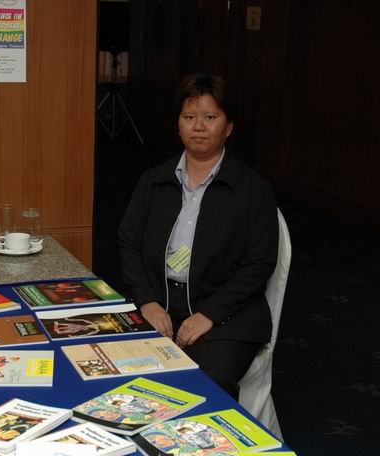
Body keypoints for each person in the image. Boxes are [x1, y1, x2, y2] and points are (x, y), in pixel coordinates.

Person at [117, 72, 279, 399]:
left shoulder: (252, 189)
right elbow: (128, 242)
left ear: (228, 127)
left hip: (226, 312)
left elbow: (259, 264)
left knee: (206, 384)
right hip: (159, 301)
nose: (198, 127)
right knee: (110, 365)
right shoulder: (154, 180)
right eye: (189, 117)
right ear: (178, 125)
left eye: (210, 117)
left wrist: (209, 315)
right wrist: (147, 302)